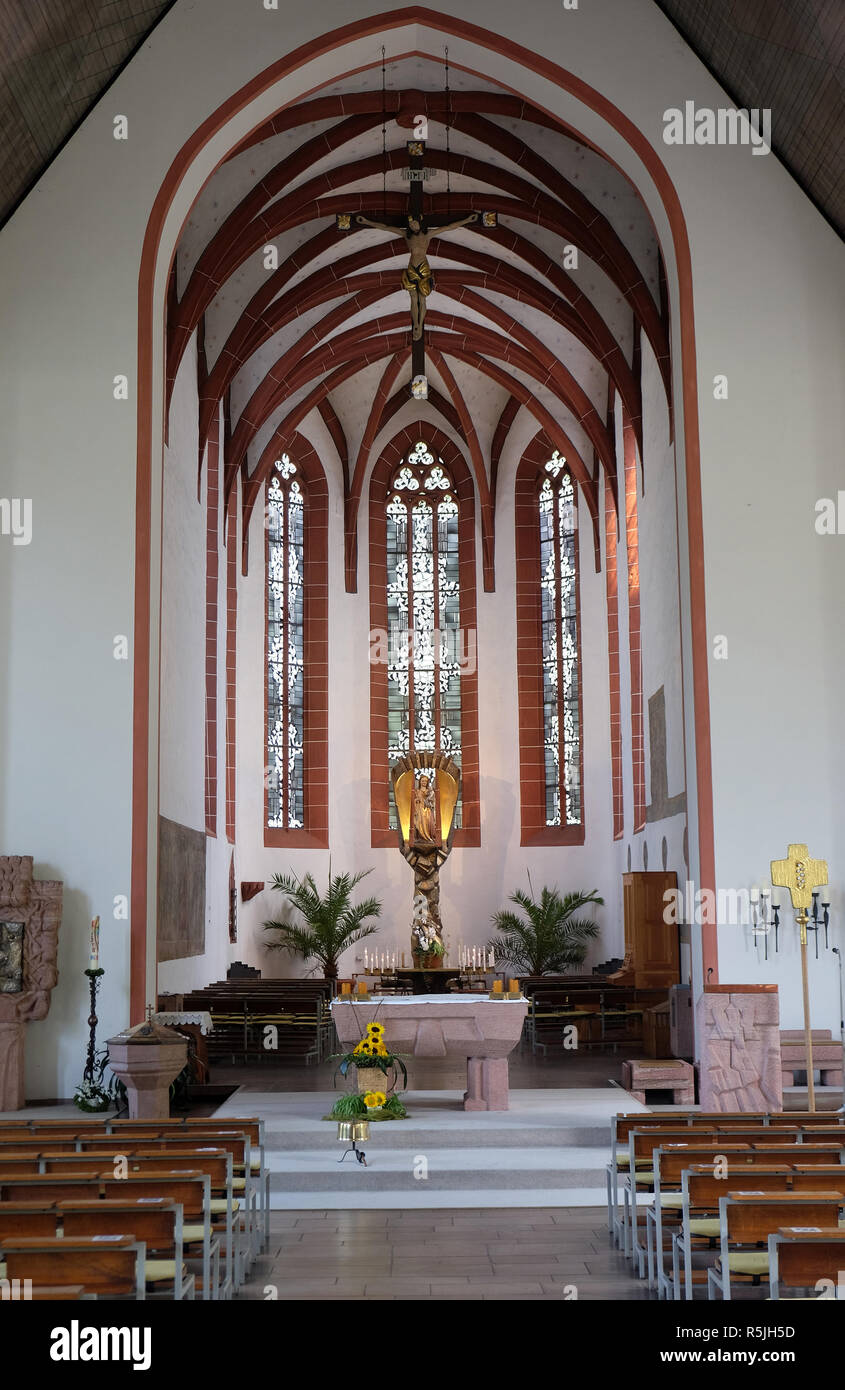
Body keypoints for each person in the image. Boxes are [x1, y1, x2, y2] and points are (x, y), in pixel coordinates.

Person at [356, 211, 479, 340]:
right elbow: (386, 228)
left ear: (420, 222)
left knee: (422, 298)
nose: (413, 226)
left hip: (423, 268)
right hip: (412, 268)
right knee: (413, 297)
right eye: (410, 225)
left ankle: (420, 324)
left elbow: (448, 227)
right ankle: (416, 325)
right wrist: (366, 222)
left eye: (414, 223)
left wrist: (467, 220)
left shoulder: (428, 234)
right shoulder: (406, 235)